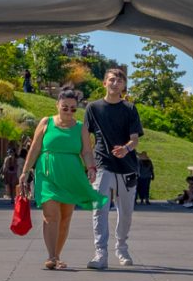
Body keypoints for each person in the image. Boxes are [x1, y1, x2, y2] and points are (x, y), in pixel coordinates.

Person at [21, 86, 106, 269]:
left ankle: (57, 255)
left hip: (71, 175)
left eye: (73, 108)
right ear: (57, 105)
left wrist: (91, 167)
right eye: (65, 107)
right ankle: (51, 256)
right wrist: (26, 171)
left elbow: (86, 151)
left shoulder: (81, 128)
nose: (68, 111)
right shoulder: (46, 123)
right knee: (51, 214)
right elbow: (35, 148)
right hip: (48, 173)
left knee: (65, 218)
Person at [84, 64, 143, 269]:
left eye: (119, 81)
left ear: (124, 85)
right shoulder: (93, 108)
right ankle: (100, 253)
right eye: (111, 79)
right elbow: (86, 138)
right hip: (102, 164)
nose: (115, 83)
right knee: (99, 208)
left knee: (125, 212)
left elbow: (135, 139)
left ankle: (121, 247)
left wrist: (126, 149)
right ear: (104, 83)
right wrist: (89, 165)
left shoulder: (129, 108)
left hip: (126, 165)